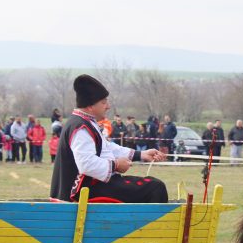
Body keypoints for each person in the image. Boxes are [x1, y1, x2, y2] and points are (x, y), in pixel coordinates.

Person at [50, 74, 168, 203]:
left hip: (93, 186)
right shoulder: (80, 127)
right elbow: (86, 164)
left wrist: (141, 154)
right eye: (104, 102)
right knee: (155, 188)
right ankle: (151, 223)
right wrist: (116, 165)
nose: (108, 106)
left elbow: (107, 147)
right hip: (83, 192)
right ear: (90, 106)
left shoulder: (86, 122)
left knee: (154, 185)